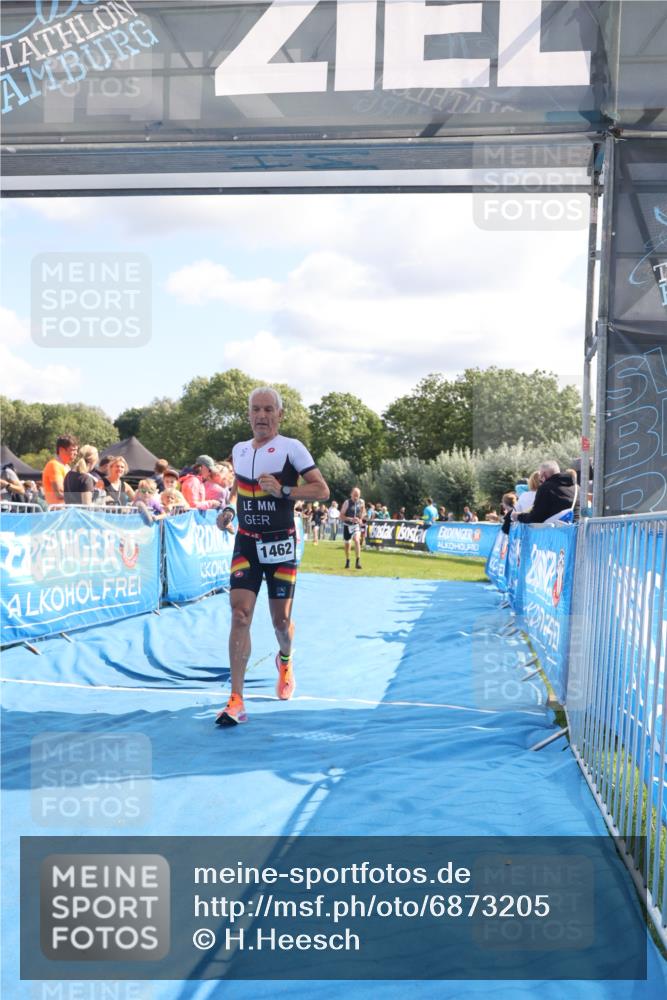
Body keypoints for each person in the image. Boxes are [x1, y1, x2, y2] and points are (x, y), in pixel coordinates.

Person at [214, 386, 329, 727]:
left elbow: (322, 490)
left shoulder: (292, 448)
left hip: (280, 546)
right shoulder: (239, 449)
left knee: (281, 624)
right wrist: (228, 512)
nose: (261, 416)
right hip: (247, 544)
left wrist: (285, 491)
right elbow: (239, 489)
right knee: (240, 614)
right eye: (256, 410)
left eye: (268, 410)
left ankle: (285, 659)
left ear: (279, 415)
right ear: (248, 414)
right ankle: (236, 698)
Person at [512, 461, 576, 525]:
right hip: (577, 531)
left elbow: (536, 517)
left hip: (555, 532)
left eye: (540, 475)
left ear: (543, 474)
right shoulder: (576, 488)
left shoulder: (546, 488)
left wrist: (519, 516)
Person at [42, 435, 78, 506]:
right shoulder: (54, 465)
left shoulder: (67, 467)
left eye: (76, 450)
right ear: (61, 449)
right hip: (57, 513)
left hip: (65, 511)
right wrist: (81, 497)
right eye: (73, 450)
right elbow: (59, 493)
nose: (76, 453)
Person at [340, 486, 365, 570]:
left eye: (357, 495)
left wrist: (360, 519)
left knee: (357, 540)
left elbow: (363, 511)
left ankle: (358, 561)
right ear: (351, 494)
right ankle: (347, 560)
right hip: (347, 525)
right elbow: (341, 516)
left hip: (356, 526)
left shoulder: (361, 502)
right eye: (354, 495)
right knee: (347, 545)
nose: (355, 497)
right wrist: (350, 519)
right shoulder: (347, 503)